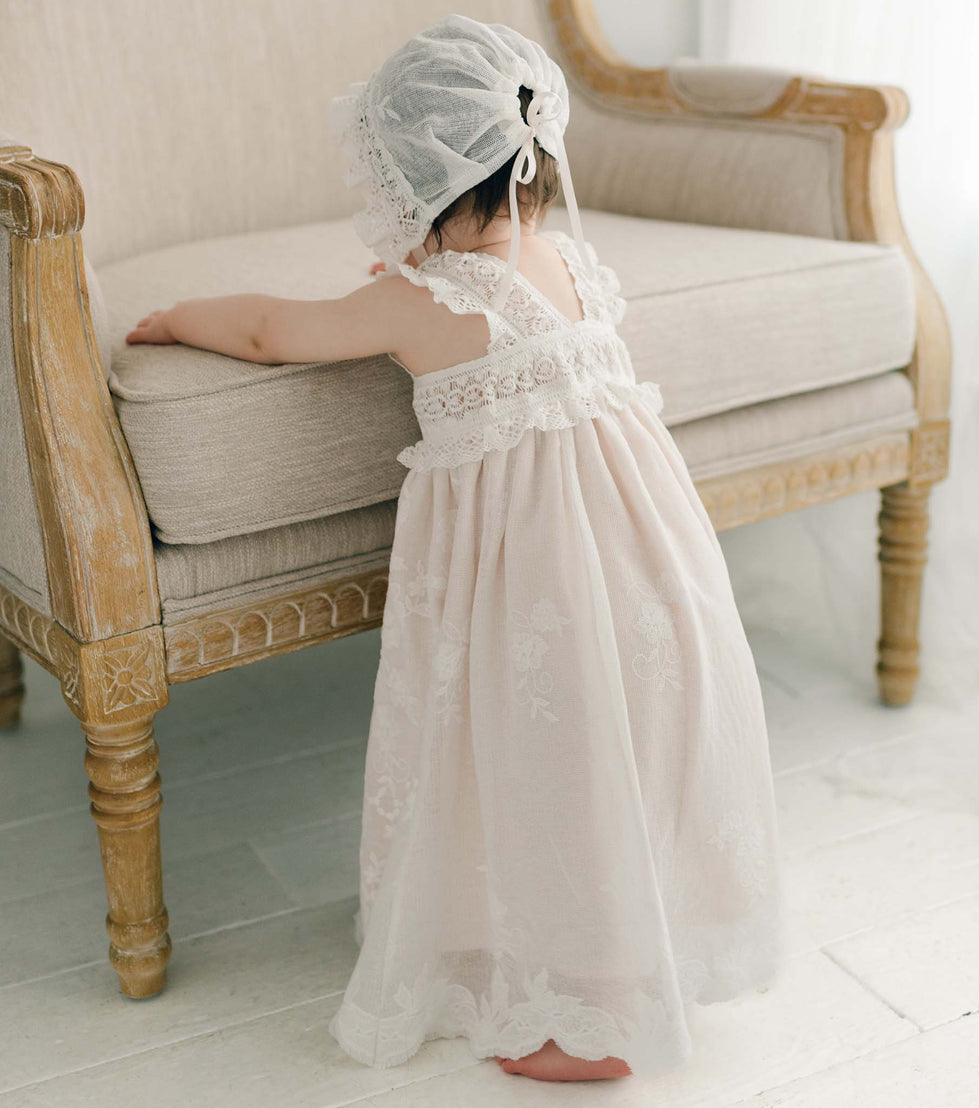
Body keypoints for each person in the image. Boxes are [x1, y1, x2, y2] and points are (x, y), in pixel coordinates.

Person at [126, 13, 783, 1084]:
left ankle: (588, 1025)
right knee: (615, 769)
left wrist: (174, 319)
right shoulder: (569, 262)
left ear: (412, 185)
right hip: (653, 561)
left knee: (539, 768)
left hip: (538, 586)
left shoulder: (422, 299)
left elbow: (269, 332)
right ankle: (636, 954)